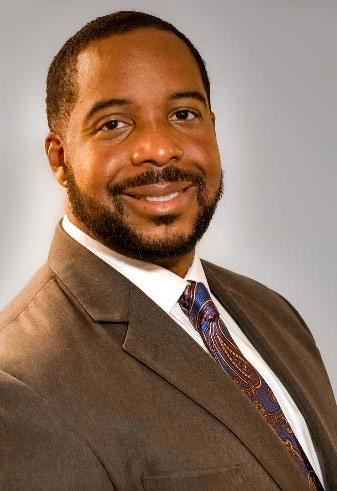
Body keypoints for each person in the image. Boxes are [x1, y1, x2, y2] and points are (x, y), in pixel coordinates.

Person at [0, 10, 336, 491]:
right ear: (60, 157)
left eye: (183, 115)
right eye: (114, 124)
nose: (159, 149)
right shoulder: (19, 385)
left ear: (213, 128)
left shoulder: (274, 314)